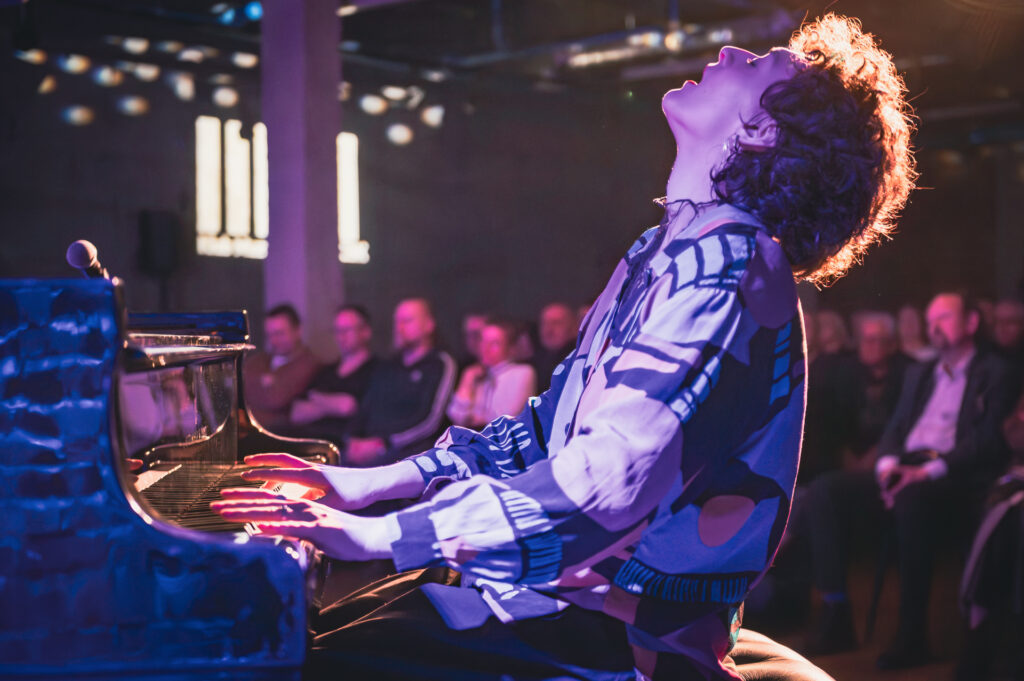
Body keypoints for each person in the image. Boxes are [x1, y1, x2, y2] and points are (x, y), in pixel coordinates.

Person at [214, 14, 916, 680]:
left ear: (760, 130)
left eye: (759, 63)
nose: (733, 51)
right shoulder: (661, 250)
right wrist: (368, 485)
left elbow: (607, 482)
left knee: (283, 661)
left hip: (615, 639)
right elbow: (545, 433)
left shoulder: (732, 264)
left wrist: (379, 535)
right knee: (308, 640)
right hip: (557, 601)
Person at [805, 292, 1018, 668]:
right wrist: (887, 468)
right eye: (930, 319)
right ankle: (837, 615)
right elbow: (896, 427)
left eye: (944, 318)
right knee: (825, 491)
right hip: (904, 468)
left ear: (971, 323)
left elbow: (986, 441)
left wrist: (925, 472)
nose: (934, 326)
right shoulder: (921, 372)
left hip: (952, 476)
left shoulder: (994, 371)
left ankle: (912, 635)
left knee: (912, 498)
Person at [343, 298, 456, 466]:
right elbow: (366, 407)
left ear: (429, 325)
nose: (399, 327)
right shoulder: (387, 366)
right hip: (369, 447)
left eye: (407, 321)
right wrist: (352, 439)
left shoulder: (439, 363)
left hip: (410, 453)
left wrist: (384, 443)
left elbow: (431, 421)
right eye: (397, 321)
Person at [288, 305, 378, 447]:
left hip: (342, 445)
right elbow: (296, 413)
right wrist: (332, 406)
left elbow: (348, 406)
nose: (341, 336)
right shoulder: (325, 371)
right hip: (309, 442)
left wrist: (318, 400)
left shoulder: (377, 370)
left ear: (365, 332)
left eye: (347, 330)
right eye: (337, 331)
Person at [243, 304, 321, 431]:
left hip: (278, 434)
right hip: (248, 430)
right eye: (269, 335)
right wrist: (266, 383)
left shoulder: (310, 364)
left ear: (298, 330)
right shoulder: (258, 360)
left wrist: (257, 384)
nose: (274, 341)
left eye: (279, 334)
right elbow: (238, 386)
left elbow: (276, 399)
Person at [447, 320, 536, 429]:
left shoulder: (523, 372)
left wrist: (475, 419)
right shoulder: (476, 374)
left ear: (510, 348)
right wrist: (467, 381)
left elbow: (504, 419)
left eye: (494, 344)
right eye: (483, 341)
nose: (486, 348)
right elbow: (456, 416)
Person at [531, 302, 577, 393]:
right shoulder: (533, 363)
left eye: (556, 323)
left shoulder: (578, 360)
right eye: (544, 323)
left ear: (574, 327)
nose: (548, 330)